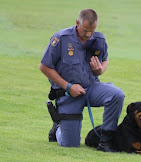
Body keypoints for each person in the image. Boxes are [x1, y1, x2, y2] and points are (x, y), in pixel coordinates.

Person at [39, 9, 125, 152]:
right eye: (85, 30)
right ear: (77, 23)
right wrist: (68, 87)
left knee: (116, 94)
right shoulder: (61, 38)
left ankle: (106, 140)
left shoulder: (100, 39)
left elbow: (105, 60)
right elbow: (44, 66)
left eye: (92, 30)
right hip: (68, 94)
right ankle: (58, 127)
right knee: (70, 144)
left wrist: (100, 70)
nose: (88, 34)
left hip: (92, 88)